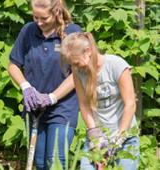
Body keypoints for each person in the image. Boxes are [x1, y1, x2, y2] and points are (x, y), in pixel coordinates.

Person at [7, 0, 82, 169]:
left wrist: (52, 97)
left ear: (56, 12)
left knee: (56, 160)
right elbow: (13, 65)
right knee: (40, 163)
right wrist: (25, 87)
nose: (39, 22)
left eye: (44, 18)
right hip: (35, 107)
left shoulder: (72, 32)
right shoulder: (28, 31)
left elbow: (77, 74)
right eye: (35, 17)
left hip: (63, 108)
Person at [60, 32, 139, 169]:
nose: (76, 67)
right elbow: (84, 105)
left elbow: (130, 104)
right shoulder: (77, 71)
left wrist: (117, 141)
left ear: (88, 51)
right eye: (72, 64)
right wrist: (97, 140)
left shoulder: (116, 65)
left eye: (77, 63)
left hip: (125, 137)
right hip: (98, 137)